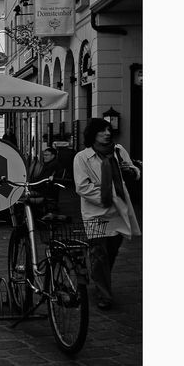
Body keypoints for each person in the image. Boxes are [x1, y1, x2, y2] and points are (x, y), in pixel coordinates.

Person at [73, 118, 141, 311]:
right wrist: (108, 197)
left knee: (111, 251)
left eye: (108, 129)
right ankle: (104, 294)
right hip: (95, 213)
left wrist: (132, 172)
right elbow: (82, 187)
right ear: (93, 134)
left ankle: (100, 282)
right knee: (98, 252)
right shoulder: (82, 157)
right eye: (102, 130)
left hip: (118, 213)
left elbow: (133, 170)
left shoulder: (118, 151)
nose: (107, 133)